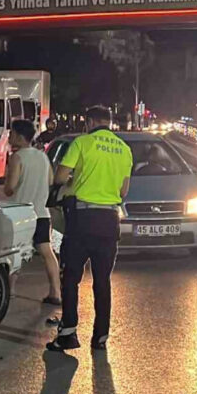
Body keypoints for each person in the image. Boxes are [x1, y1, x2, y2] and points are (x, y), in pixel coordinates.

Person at [48, 106, 132, 352]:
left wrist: (77, 181)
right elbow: (123, 192)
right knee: (102, 281)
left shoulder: (82, 143)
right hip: (109, 221)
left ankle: (68, 334)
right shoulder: (124, 149)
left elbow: (60, 178)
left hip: (82, 219)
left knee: (71, 278)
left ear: (91, 122)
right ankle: (101, 336)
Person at [3, 120, 61, 306]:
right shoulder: (42, 156)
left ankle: (10, 291)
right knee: (47, 251)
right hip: (41, 213)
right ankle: (55, 292)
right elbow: (51, 180)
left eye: (11, 133)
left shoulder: (17, 157)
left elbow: (10, 188)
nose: (9, 137)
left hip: (21, 215)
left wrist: (8, 187)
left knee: (15, 252)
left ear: (20, 136)